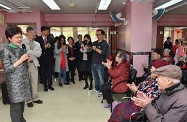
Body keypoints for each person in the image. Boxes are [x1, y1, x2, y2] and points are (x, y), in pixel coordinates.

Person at [1, 25, 31, 122]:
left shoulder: (19, 48)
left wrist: (26, 61)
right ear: (9, 38)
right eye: (16, 37)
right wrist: (20, 60)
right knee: (16, 109)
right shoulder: (6, 50)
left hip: (22, 82)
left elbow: (20, 64)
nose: (19, 39)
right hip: (14, 84)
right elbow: (7, 69)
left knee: (21, 107)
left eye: (20, 37)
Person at [22, 26, 43, 107]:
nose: (33, 34)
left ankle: (35, 98)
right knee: (27, 82)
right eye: (31, 32)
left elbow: (39, 54)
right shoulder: (22, 42)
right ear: (27, 33)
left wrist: (30, 51)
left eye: (34, 32)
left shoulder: (36, 43)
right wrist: (33, 52)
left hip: (33, 63)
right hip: (24, 65)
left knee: (34, 82)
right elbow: (23, 53)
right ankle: (28, 100)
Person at [36, 26, 55, 91]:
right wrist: (44, 47)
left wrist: (50, 46)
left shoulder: (50, 39)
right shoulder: (38, 39)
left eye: (48, 31)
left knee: (50, 72)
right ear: (42, 31)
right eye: (47, 31)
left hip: (50, 59)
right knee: (43, 73)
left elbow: (53, 47)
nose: (48, 33)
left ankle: (50, 84)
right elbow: (37, 48)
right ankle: (45, 85)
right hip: (42, 59)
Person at [91, 29, 109, 97]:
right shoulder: (94, 43)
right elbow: (91, 52)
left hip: (100, 63)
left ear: (102, 35)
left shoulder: (105, 44)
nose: (97, 36)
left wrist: (96, 49)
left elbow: (103, 53)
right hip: (93, 62)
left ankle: (102, 91)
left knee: (101, 78)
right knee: (95, 77)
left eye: (98, 34)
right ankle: (97, 89)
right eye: (96, 34)